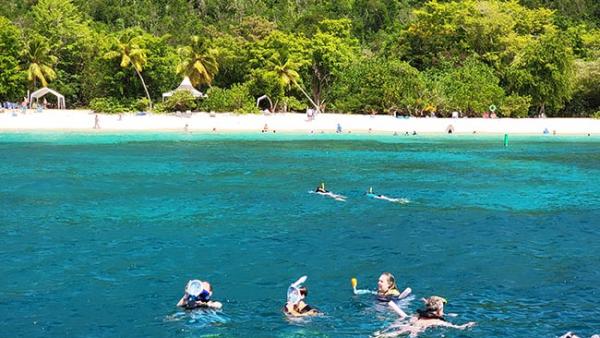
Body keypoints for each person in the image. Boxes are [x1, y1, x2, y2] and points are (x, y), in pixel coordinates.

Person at [376, 296, 475, 337]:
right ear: (439, 309)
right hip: (418, 330)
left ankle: (380, 335)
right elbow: (454, 327)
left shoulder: (418, 315)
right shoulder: (436, 321)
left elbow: (408, 318)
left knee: (397, 332)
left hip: (411, 324)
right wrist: (467, 325)